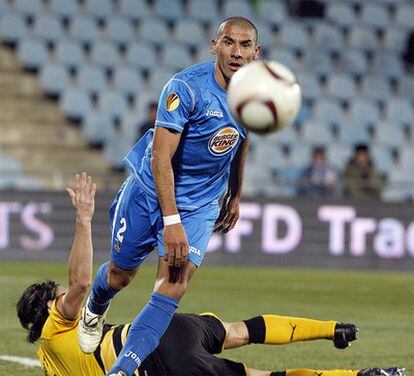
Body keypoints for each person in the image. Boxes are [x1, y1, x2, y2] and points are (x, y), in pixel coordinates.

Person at [16, 173, 405, 376]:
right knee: (242, 330)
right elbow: (83, 281)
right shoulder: (56, 326)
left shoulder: (51, 353)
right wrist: (84, 219)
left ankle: (363, 375)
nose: (69, 295)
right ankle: (332, 328)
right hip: (167, 329)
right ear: (49, 307)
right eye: (60, 294)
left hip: (160, 363)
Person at [78, 17, 260, 376]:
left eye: (244, 45)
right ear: (214, 45)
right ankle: (95, 304)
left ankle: (121, 371)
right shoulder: (185, 87)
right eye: (228, 43)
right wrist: (171, 220)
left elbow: (241, 141)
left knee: (172, 288)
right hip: (149, 193)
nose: (236, 52)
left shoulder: (256, 95)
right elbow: (161, 158)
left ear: (256, 52)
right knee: (120, 276)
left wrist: (235, 194)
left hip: (201, 205)